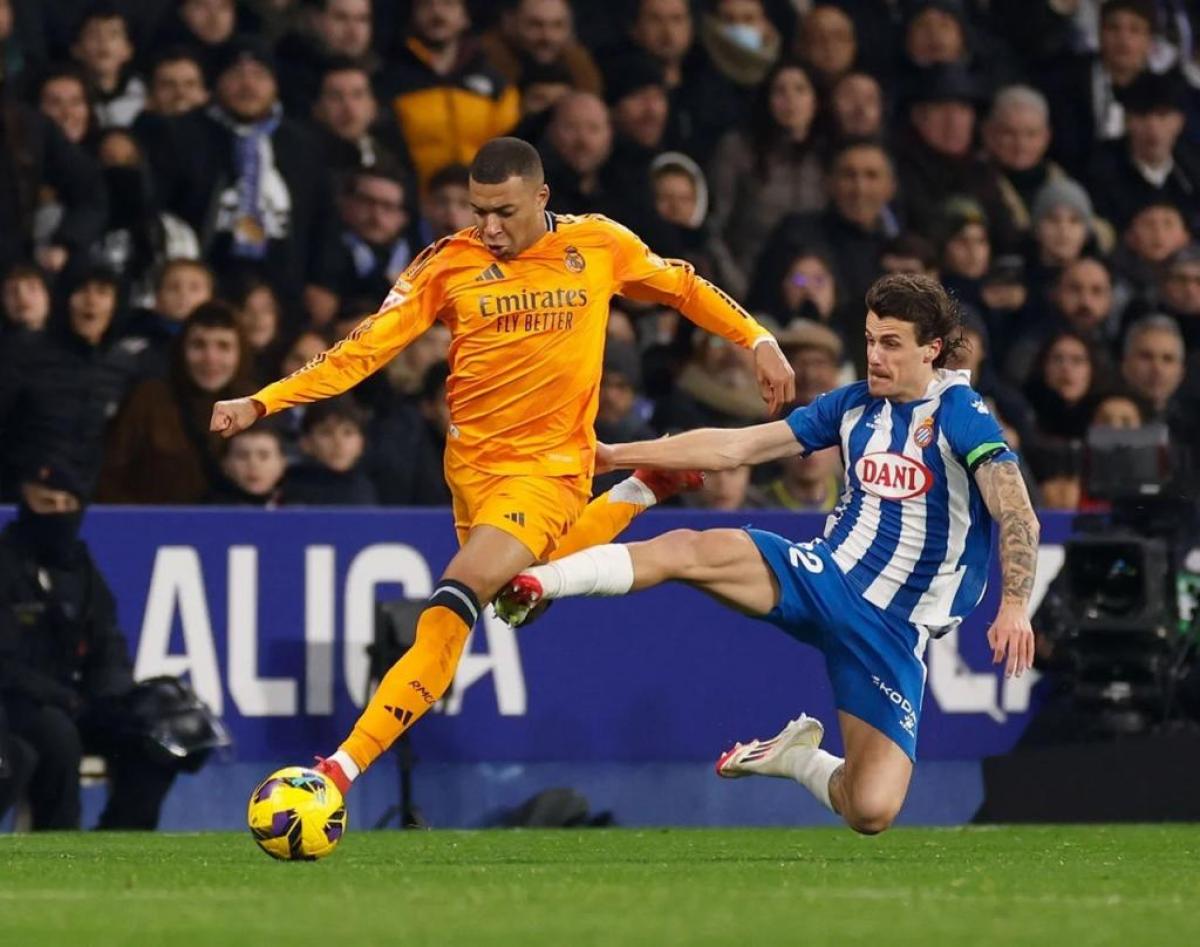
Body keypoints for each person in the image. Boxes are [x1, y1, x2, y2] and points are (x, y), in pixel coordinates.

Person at [209, 136, 794, 794]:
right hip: (472, 473)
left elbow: (683, 285)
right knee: (523, 592)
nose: (488, 226)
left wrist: (759, 339)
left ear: (542, 198)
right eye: (477, 209)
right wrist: (263, 402)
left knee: (453, 601)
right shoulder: (446, 264)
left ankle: (337, 773)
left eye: (504, 211)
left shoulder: (597, 244)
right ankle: (641, 486)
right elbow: (360, 350)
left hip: (548, 471)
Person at [494, 273, 1039, 835]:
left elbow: (1017, 511)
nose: (874, 356)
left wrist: (1015, 604)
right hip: (826, 578)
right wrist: (612, 454)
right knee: (690, 551)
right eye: (871, 340)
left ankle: (795, 756)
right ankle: (540, 582)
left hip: (894, 633)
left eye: (892, 344)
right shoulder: (852, 407)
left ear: (932, 349)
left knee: (870, 810)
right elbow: (738, 446)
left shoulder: (960, 413)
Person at [0, 463, 183, 829]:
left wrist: (111, 696)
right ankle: (56, 841)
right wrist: (60, 697)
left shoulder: (80, 567)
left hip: (75, 700)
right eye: (46, 503)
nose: (59, 514)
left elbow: (107, 643)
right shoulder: (6, 564)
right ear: (24, 503)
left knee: (156, 730)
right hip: (19, 704)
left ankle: (121, 838)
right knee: (58, 736)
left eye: (68, 504)